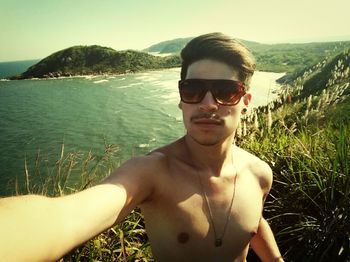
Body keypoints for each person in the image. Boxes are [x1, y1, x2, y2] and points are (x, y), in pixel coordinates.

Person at [0, 32, 283, 262]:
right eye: (193, 90)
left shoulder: (259, 175)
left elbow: (252, 221)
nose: (208, 104)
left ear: (245, 102)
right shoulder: (152, 172)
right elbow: (67, 216)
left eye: (225, 92)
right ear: (181, 100)